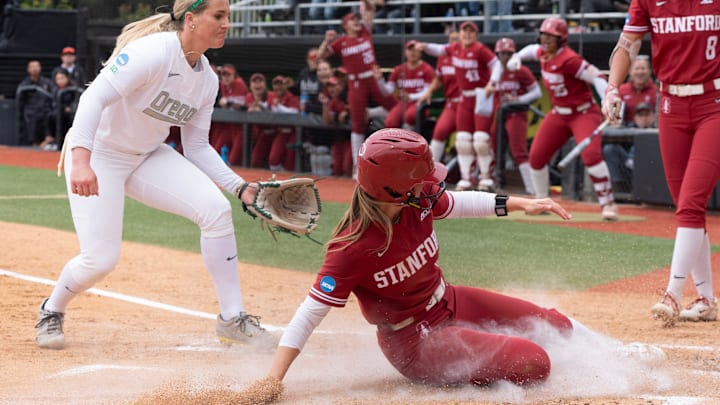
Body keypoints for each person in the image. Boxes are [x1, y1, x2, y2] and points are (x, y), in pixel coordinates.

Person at [257, 128, 574, 394]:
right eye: (421, 178)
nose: (431, 184)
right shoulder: (352, 248)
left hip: (450, 300)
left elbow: (460, 203)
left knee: (558, 325)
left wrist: (522, 204)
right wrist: (272, 380)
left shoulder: (416, 200)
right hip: (416, 342)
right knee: (534, 362)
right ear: (395, 188)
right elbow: (309, 313)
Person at [34, 0, 272, 350]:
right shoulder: (153, 52)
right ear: (191, 19)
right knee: (100, 260)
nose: (226, 24)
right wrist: (81, 160)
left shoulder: (207, 79)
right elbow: (93, 99)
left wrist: (240, 188)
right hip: (101, 153)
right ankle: (52, 309)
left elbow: (197, 147)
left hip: (146, 154)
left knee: (216, 211)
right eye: (218, 16)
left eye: (228, 17)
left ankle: (232, 319)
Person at [603, 0, 720, 325]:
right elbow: (627, 44)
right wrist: (612, 89)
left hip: (714, 102)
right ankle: (706, 298)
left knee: (691, 204)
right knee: (686, 204)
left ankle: (672, 292)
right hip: (670, 104)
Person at [508, 17, 618, 220]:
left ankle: (607, 203)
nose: (546, 40)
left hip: (583, 112)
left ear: (561, 39)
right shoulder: (542, 53)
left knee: (591, 157)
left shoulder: (569, 59)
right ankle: (541, 201)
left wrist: (608, 100)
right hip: (559, 113)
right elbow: (531, 50)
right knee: (536, 157)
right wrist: (516, 57)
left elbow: (597, 77)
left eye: (552, 37)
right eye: (544, 35)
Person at [416, 21, 502, 191]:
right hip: (464, 97)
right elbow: (438, 49)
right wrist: (424, 46)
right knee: (462, 140)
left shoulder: (480, 49)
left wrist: (492, 82)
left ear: (476, 35)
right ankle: (466, 178)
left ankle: (486, 177)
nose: (467, 35)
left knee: (481, 140)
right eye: (465, 31)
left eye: (471, 32)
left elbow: (496, 64)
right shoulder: (454, 48)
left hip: (481, 96)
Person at [317, 0, 397, 177]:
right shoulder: (341, 42)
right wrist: (326, 40)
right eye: (351, 20)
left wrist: (366, 1)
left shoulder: (365, 32)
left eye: (356, 19)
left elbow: (369, 9)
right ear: (345, 25)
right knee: (358, 123)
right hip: (356, 82)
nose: (356, 22)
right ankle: (357, 166)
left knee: (395, 107)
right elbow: (320, 56)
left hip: (372, 77)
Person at [492, 37, 542, 195]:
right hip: (498, 114)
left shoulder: (522, 70)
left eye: (508, 53)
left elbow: (537, 93)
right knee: (492, 147)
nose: (505, 57)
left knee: (518, 151)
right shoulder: (494, 71)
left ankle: (532, 189)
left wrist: (517, 99)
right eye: (502, 54)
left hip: (516, 113)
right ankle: (493, 183)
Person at [419, 30, 461, 164]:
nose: (454, 42)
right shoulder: (444, 56)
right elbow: (439, 78)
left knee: (467, 140)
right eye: (452, 39)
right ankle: (431, 170)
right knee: (439, 132)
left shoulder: (468, 55)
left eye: (457, 39)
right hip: (451, 103)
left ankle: (475, 175)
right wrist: (429, 91)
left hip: (468, 103)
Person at [380, 40, 435, 130]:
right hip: (403, 103)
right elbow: (387, 91)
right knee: (390, 121)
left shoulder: (427, 69)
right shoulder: (399, 69)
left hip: (421, 103)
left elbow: (428, 92)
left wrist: (410, 96)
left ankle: (410, 142)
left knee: (410, 116)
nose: (412, 53)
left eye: (415, 50)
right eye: (410, 50)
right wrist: (379, 80)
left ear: (421, 53)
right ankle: (394, 143)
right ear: (405, 52)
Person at [602, 102, 655, 194]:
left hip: (649, 169)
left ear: (653, 116)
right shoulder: (628, 130)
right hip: (629, 166)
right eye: (640, 115)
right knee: (610, 149)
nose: (644, 118)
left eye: (647, 115)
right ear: (635, 118)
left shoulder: (658, 132)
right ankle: (618, 190)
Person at [251, 75, 299, 172]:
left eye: (280, 84)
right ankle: (278, 180)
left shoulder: (291, 96)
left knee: (289, 163)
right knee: (273, 159)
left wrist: (279, 106)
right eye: (276, 84)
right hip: (280, 131)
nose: (278, 87)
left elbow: (295, 112)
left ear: (285, 85)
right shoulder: (273, 96)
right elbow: (268, 107)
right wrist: (258, 105)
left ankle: (288, 183)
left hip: (293, 132)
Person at [209, 63, 248, 166]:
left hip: (241, 127)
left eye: (228, 75)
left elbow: (239, 106)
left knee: (233, 161)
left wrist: (227, 103)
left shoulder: (239, 83)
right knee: (215, 153)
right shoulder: (222, 85)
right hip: (228, 126)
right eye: (224, 75)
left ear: (234, 76)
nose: (226, 78)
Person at [16, 60, 54, 147]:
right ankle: (35, 144)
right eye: (32, 67)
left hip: (46, 110)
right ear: (28, 69)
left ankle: (49, 139)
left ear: (40, 68)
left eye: (37, 66)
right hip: (31, 112)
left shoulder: (47, 83)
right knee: (33, 115)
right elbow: (20, 102)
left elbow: (53, 96)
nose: (35, 69)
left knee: (51, 115)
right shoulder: (24, 84)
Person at [319, 76, 351, 176]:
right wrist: (325, 104)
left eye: (333, 86)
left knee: (347, 167)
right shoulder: (333, 101)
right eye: (329, 86)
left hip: (351, 139)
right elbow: (327, 121)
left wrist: (347, 111)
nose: (331, 89)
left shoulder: (349, 95)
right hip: (339, 138)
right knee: (337, 168)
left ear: (341, 86)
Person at [618, 55, 657, 124]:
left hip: (651, 130)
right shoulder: (621, 90)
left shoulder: (657, 91)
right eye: (637, 69)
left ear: (649, 71)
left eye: (643, 68)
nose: (640, 72)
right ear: (630, 71)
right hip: (627, 130)